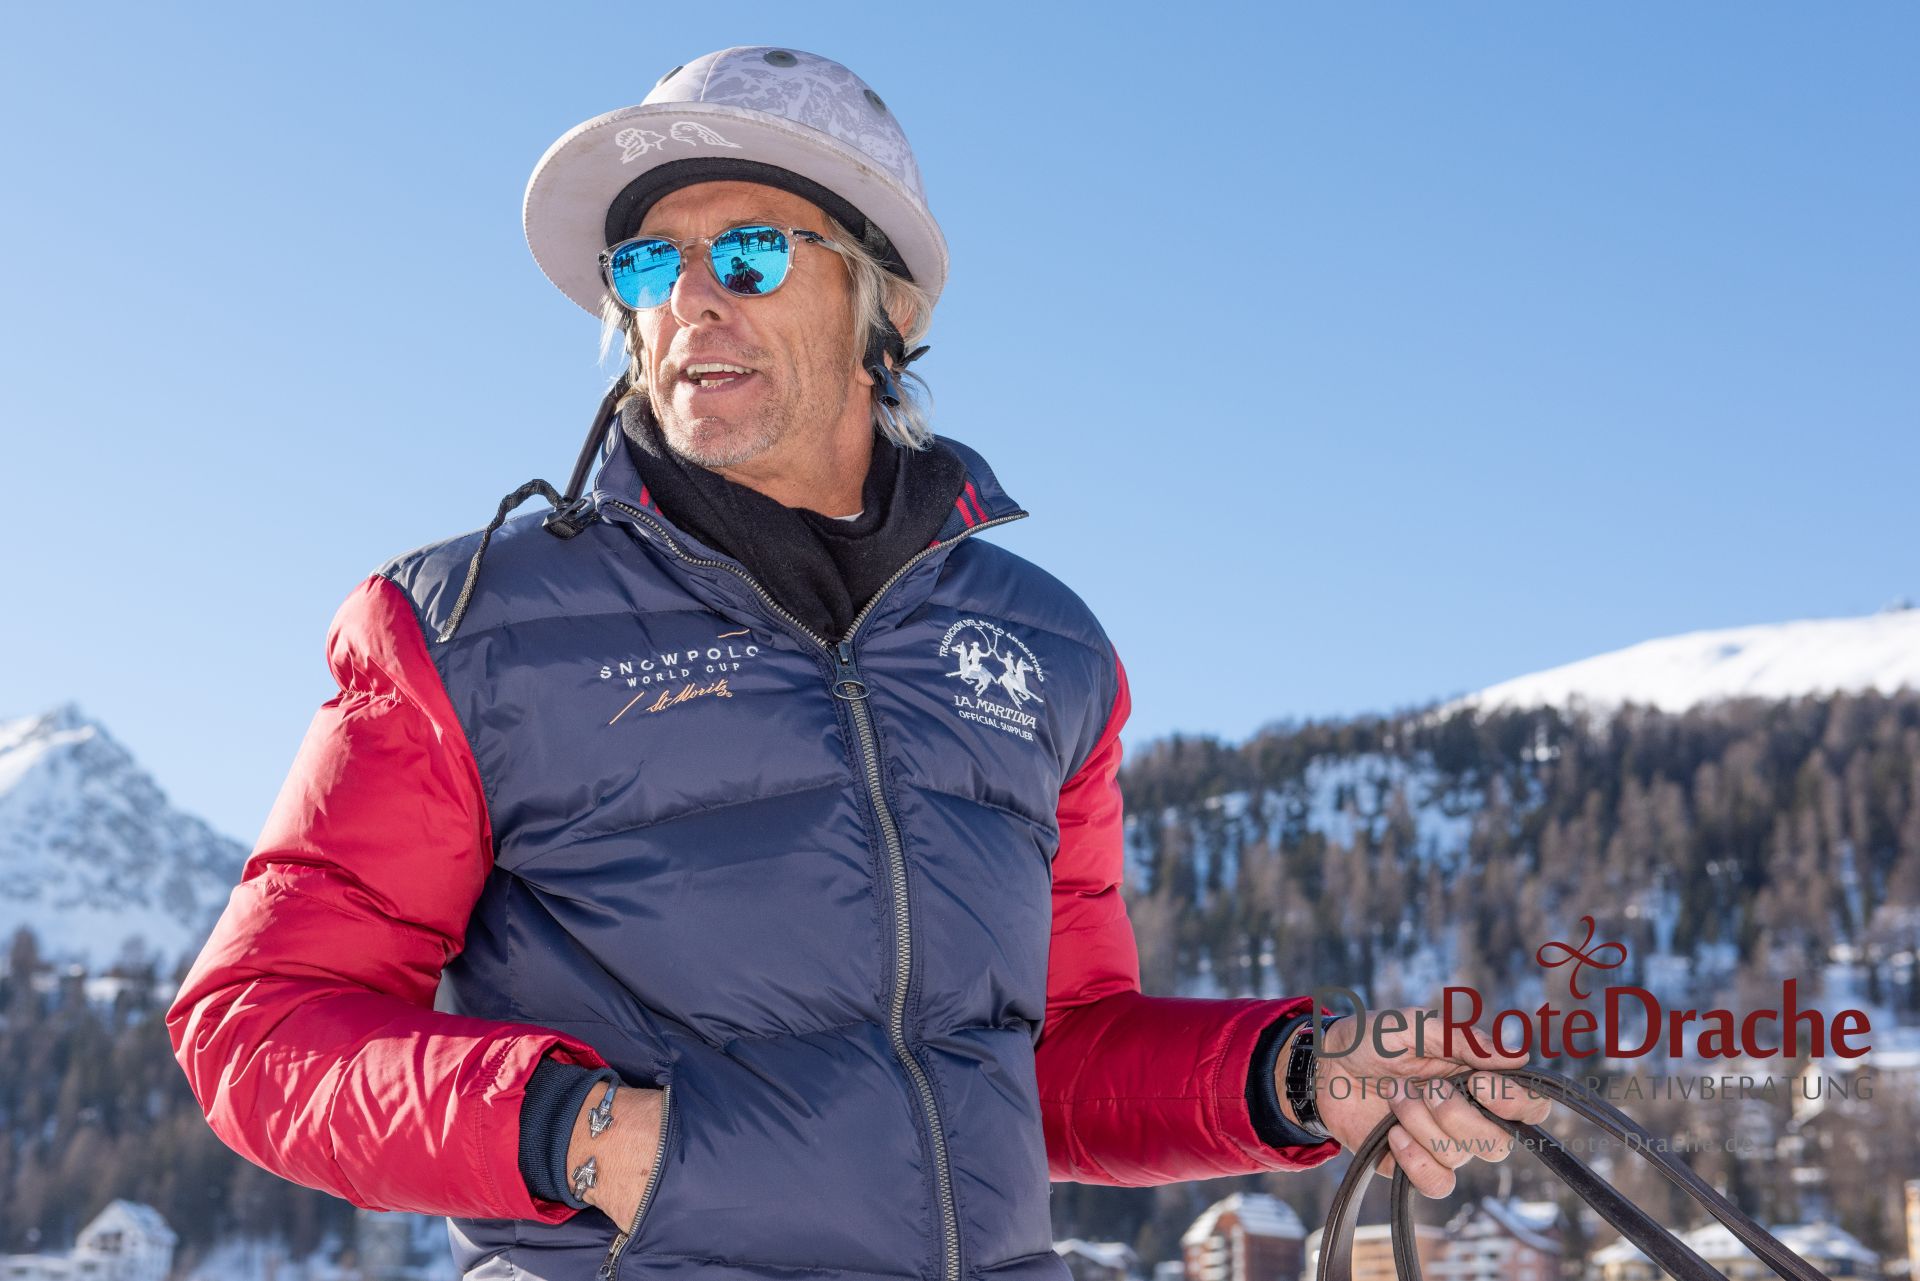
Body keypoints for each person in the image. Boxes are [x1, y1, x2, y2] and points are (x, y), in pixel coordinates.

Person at [166, 45, 1550, 1281]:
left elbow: (1049, 1057)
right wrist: (578, 1132)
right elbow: (256, 1025)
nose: (689, 301)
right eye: (647, 266)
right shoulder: (470, 623)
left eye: (751, 254)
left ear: (883, 305)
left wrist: (1296, 1073)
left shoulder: (1047, 648)